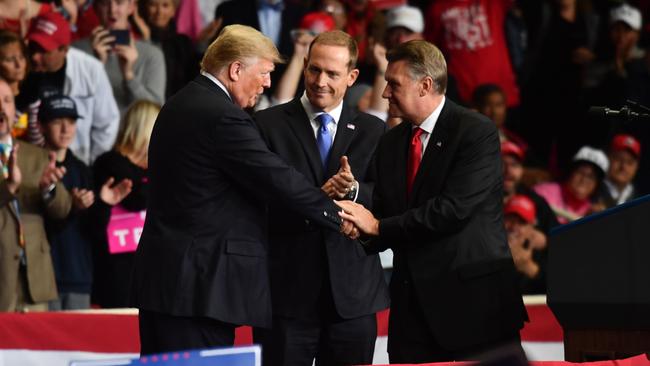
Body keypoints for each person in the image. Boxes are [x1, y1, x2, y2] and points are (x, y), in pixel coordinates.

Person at [130, 24, 343, 355]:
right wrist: (339, 214)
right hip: (199, 290)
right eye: (265, 72)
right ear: (235, 69)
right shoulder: (222, 117)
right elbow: (276, 178)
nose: (268, 83)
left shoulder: (179, 103)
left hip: (167, 285)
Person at [336, 40, 526, 363]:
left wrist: (378, 226)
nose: (384, 94)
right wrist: (359, 224)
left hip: (475, 311)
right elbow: (385, 213)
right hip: (413, 318)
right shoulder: (391, 143)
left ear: (425, 85)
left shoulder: (475, 132)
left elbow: (452, 211)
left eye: (393, 84)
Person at [253, 30, 388, 366]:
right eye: (314, 70)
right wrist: (316, 198)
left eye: (332, 73)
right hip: (287, 299)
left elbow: (386, 199)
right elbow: (258, 203)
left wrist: (352, 191)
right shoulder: (266, 125)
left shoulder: (373, 130)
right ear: (304, 65)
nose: (320, 81)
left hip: (352, 301)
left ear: (353, 76)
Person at [0, 77, 72, 311]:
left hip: (35, 279)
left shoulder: (37, 155)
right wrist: (8, 189)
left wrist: (48, 189)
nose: (2, 107)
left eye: (8, 101)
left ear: (14, 109)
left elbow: (62, 209)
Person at [21, 11, 120, 165]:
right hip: (29, 161)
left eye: (43, 50)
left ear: (64, 50)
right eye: (33, 47)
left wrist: (89, 165)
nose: (34, 56)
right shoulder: (20, 67)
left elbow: (107, 123)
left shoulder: (90, 69)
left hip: (79, 161)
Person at [91, 100, 157, 308]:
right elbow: (137, 199)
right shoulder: (110, 163)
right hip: (117, 271)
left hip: (150, 270)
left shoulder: (152, 170)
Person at [38, 95, 95, 310]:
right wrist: (70, 207)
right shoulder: (30, 167)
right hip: (41, 279)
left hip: (79, 275)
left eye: (71, 122)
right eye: (56, 121)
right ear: (40, 126)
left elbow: (94, 229)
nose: (65, 129)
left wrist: (104, 204)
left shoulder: (82, 170)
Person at [73, 0, 166, 113]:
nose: (112, 11)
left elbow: (156, 112)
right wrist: (97, 66)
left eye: (119, 2)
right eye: (105, 3)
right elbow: (73, 107)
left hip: (135, 130)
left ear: (131, 7)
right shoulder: (77, 52)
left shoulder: (152, 55)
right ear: (96, 8)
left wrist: (129, 76)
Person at [534, 146, 608, 224]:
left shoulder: (593, 212)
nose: (584, 180)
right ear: (570, 172)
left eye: (591, 177)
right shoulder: (544, 192)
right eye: (581, 172)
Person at [143, 0, 198, 98]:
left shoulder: (183, 43)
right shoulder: (135, 39)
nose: (159, 12)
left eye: (165, 5)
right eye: (153, 5)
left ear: (173, 10)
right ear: (145, 7)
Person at [597, 134, 641, 208]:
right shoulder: (589, 191)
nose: (623, 167)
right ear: (608, 158)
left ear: (636, 166)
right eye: (618, 159)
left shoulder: (642, 201)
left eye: (629, 162)